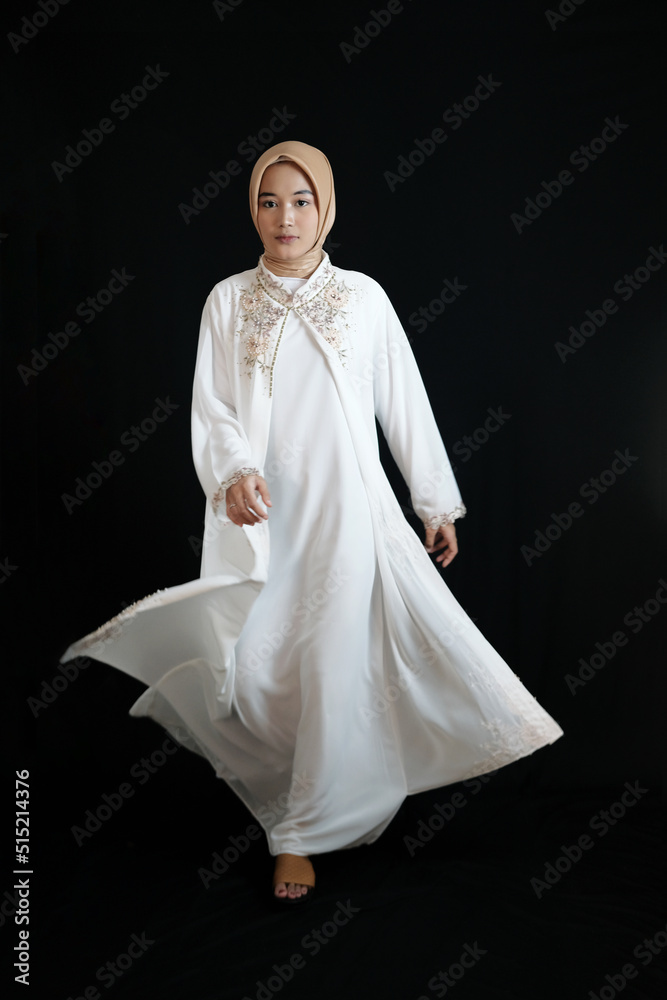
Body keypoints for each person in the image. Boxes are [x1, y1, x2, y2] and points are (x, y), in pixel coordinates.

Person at [62, 140, 563, 906]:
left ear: (325, 207)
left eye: (300, 201)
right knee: (262, 672)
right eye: (269, 201)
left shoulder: (362, 298)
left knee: (333, 665)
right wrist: (233, 471)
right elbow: (212, 407)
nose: (284, 217)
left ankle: (296, 833)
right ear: (252, 210)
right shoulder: (228, 300)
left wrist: (433, 500)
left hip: (347, 515)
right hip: (264, 517)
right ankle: (311, 797)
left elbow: (403, 400)